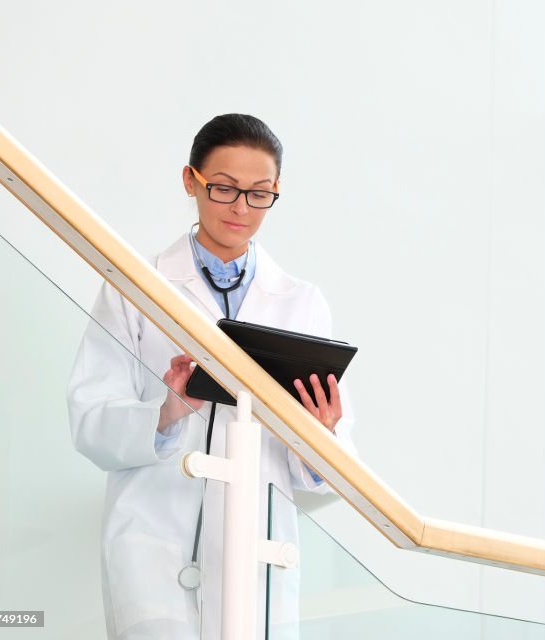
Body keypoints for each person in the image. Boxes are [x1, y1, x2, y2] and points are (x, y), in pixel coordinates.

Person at [67, 114, 357, 640]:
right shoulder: (135, 286)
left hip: (254, 553)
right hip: (153, 546)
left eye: (259, 193)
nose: (240, 208)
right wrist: (167, 410)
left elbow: (325, 472)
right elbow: (90, 419)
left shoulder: (301, 302)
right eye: (223, 188)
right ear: (190, 181)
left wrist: (322, 435)